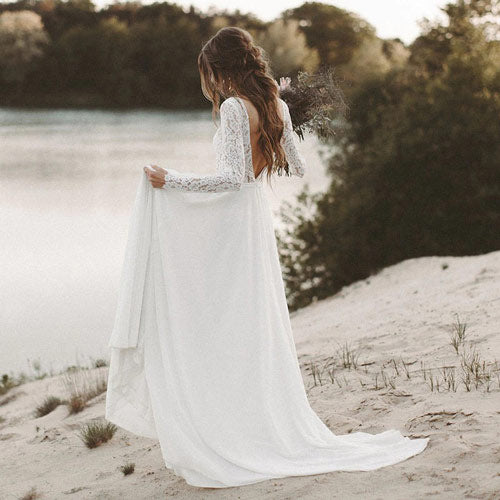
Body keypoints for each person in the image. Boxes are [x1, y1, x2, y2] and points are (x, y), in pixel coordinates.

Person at [105, 26, 429, 489]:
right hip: (253, 219)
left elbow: (232, 179)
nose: (210, 84)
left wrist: (171, 180)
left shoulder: (237, 108)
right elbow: (295, 166)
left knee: (217, 314)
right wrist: (278, 123)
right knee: (245, 316)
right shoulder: (273, 104)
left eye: (210, 73)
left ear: (220, 69)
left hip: (232, 221)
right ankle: (245, 412)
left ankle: (232, 424)